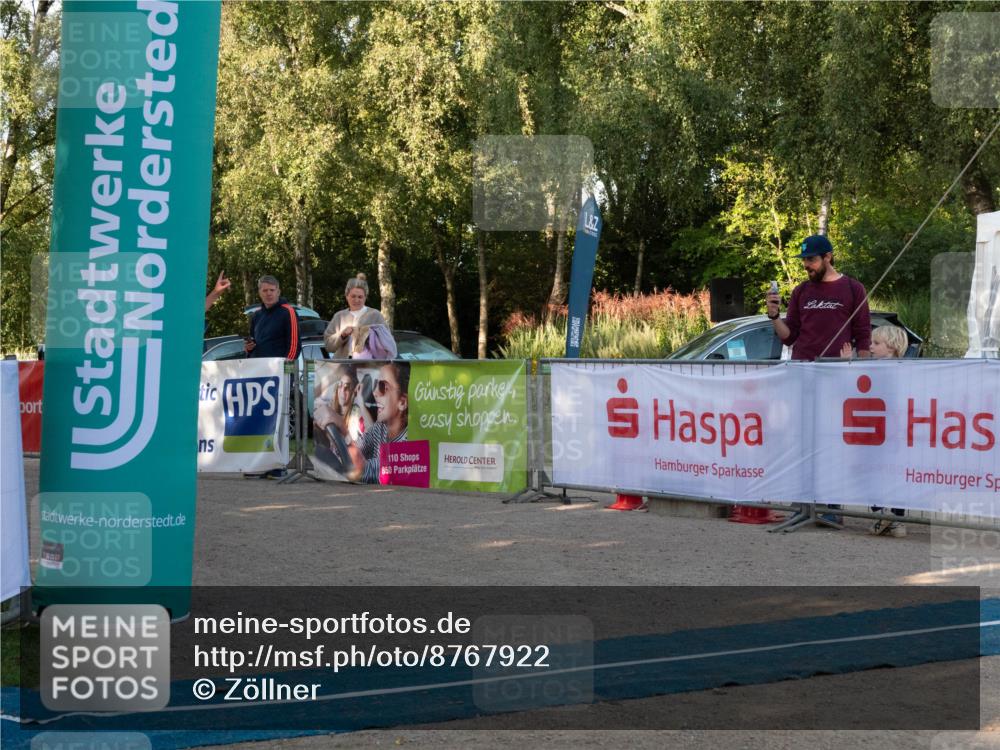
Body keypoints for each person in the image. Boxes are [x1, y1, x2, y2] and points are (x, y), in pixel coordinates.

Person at [766, 235, 872, 361]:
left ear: (827, 257)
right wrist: (774, 316)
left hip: (838, 368)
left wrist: (863, 366)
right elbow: (789, 338)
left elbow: (863, 334)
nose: (806, 265)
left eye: (811, 259)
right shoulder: (800, 290)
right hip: (803, 368)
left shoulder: (854, 288)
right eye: (804, 260)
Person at [867, 324, 909, 538]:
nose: (871, 347)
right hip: (882, 429)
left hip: (887, 430)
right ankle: (894, 520)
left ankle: (887, 515)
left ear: (891, 346)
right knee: (886, 472)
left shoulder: (895, 370)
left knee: (878, 471)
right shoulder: (882, 368)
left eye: (876, 343)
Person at [354, 361, 409, 484]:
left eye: (383, 387)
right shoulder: (380, 428)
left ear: (402, 403)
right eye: (376, 385)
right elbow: (357, 448)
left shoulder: (408, 443)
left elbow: (360, 470)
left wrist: (340, 427)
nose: (375, 392)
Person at [312, 364, 366, 477]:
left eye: (347, 387)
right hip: (332, 466)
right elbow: (311, 396)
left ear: (354, 391)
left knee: (320, 452)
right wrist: (332, 377)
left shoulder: (357, 415)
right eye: (340, 386)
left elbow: (359, 449)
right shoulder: (331, 409)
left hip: (348, 467)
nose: (342, 391)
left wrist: (342, 427)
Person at [324, 273, 389, 359]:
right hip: (342, 368)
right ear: (347, 296)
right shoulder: (339, 316)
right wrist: (342, 335)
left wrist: (370, 337)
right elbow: (328, 346)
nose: (356, 300)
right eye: (353, 296)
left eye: (360, 297)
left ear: (365, 297)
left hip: (368, 368)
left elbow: (388, 343)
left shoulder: (375, 315)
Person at [245, 275, 300, 360]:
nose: (269, 293)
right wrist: (249, 348)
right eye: (265, 290)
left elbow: (295, 346)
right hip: (257, 368)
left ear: (278, 292)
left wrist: (286, 368)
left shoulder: (288, 312)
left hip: (278, 369)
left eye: (272, 290)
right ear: (259, 293)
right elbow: (253, 343)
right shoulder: (256, 314)